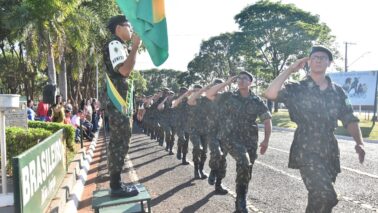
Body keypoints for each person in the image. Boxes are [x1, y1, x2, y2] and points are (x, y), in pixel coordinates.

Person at [264, 45, 366, 213]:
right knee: (326, 195)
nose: (319, 60)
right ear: (309, 61)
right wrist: (290, 69)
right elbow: (270, 93)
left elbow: (349, 118)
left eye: (323, 57)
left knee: (319, 200)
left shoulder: (338, 92)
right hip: (305, 147)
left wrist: (359, 143)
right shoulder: (297, 88)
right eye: (315, 57)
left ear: (329, 63)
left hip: (330, 149)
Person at [207, 72, 272, 213]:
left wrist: (266, 140)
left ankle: (240, 202)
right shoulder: (228, 96)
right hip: (230, 137)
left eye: (245, 78)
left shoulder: (257, 101)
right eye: (239, 78)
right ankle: (242, 201)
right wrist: (226, 82)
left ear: (251, 82)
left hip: (250, 140)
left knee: (246, 170)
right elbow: (210, 95)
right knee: (243, 161)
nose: (241, 81)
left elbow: (267, 120)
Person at [103, 15, 141, 197]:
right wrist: (136, 47)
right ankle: (116, 186)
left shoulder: (120, 45)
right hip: (118, 101)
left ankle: (116, 183)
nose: (131, 29)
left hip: (122, 102)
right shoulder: (114, 44)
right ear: (118, 28)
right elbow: (124, 70)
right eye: (128, 25)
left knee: (121, 141)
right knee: (119, 141)